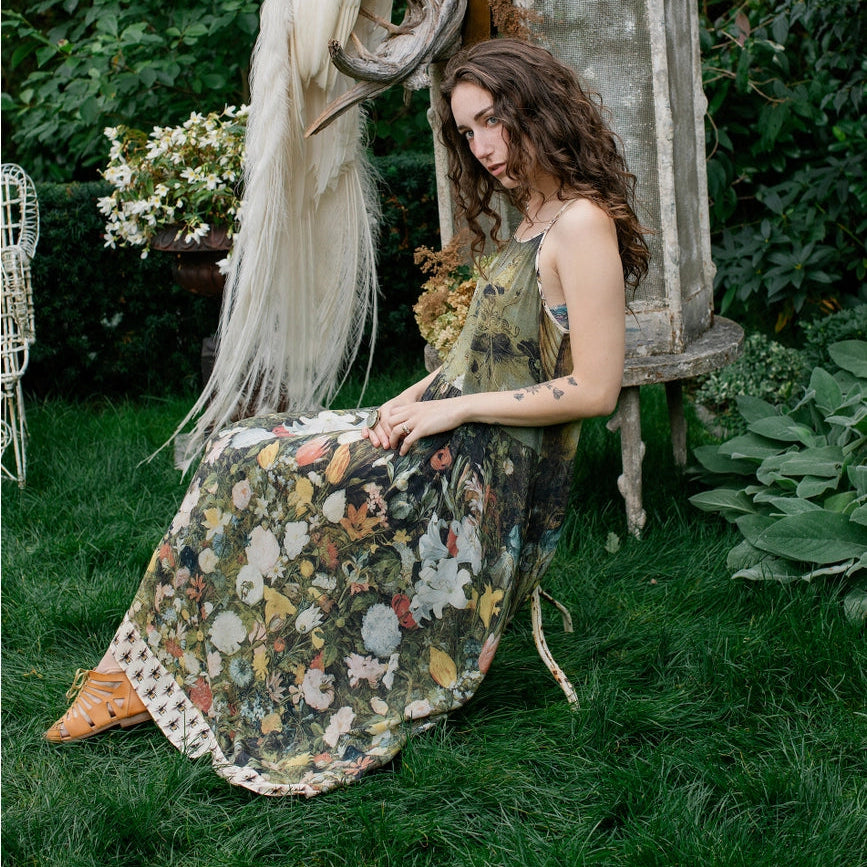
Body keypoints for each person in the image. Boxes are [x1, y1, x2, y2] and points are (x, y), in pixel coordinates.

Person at [45, 38, 649, 797]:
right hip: (451, 430)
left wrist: (451, 406)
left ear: (538, 107)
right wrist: (419, 392)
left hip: (479, 477)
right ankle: (147, 669)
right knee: (239, 445)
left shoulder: (582, 225)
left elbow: (594, 388)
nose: (483, 146)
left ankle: (155, 675)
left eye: (493, 120)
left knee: (267, 471)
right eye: (467, 132)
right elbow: (496, 349)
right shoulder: (535, 213)